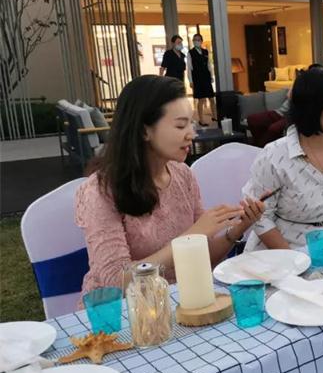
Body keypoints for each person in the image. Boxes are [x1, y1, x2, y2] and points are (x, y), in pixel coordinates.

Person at [75, 75, 265, 294]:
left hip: (180, 298)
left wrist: (238, 229)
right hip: (125, 309)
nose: (191, 134)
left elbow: (202, 257)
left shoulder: (183, 175)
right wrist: (189, 239)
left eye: (191, 123)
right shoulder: (101, 191)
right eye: (180, 125)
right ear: (144, 130)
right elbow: (115, 280)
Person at [243, 67, 323, 250]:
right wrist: (292, 259)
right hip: (283, 249)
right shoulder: (275, 155)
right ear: (311, 107)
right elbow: (260, 217)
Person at [187, 33, 216, 127]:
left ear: (201, 41)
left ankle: (214, 116)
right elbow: (189, 68)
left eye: (198, 39)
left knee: (211, 98)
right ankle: (201, 120)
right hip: (197, 78)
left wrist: (211, 76)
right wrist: (190, 81)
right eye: (195, 40)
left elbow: (209, 64)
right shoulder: (190, 53)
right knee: (201, 99)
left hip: (206, 76)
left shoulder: (205, 51)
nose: (196, 41)